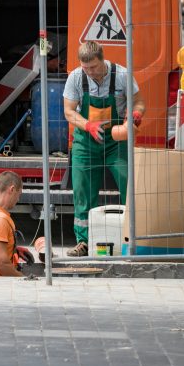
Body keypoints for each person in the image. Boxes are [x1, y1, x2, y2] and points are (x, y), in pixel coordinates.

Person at [63, 41, 143, 256]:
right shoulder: (76, 77)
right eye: (85, 67)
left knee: (129, 185)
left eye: (94, 67)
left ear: (102, 59)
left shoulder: (122, 75)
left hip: (116, 142)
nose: (90, 72)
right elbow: (69, 112)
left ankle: (132, 238)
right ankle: (84, 242)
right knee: (83, 192)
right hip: (86, 142)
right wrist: (88, 125)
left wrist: (135, 115)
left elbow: (138, 102)